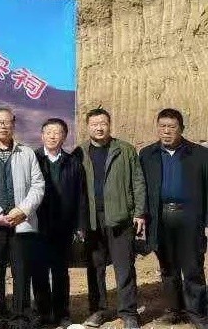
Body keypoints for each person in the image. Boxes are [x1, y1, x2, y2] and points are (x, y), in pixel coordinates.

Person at [74, 108, 146, 329]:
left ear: (110, 124)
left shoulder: (125, 150)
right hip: (92, 220)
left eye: (103, 123)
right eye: (94, 124)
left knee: (124, 267)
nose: (99, 128)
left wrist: (139, 212)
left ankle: (129, 312)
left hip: (120, 217)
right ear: (87, 127)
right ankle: (98, 310)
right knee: (95, 268)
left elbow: (138, 182)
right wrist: (78, 221)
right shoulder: (79, 152)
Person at [139, 108, 208, 328]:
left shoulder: (199, 154)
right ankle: (174, 310)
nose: (166, 131)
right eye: (162, 126)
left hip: (190, 217)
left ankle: (197, 312)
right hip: (160, 218)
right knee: (168, 267)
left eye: (171, 127)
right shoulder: (147, 155)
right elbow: (141, 188)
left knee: (192, 267)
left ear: (181, 129)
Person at [0, 108, 45, 329]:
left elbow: (38, 185)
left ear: (13, 125)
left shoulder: (27, 153)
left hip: (21, 222)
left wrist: (22, 210)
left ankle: (20, 317)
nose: (2, 127)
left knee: (22, 272)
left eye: (6, 122)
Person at [30, 118, 87, 329]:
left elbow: (81, 196)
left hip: (63, 226)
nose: (53, 136)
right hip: (38, 225)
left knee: (61, 271)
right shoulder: (33, 159)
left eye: (57, 132)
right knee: (39, 271)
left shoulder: (73, 163)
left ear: (64, 136)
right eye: (49, 132)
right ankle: (42, 313)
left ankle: (62, 313)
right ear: (42, 135)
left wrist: (80, 225)